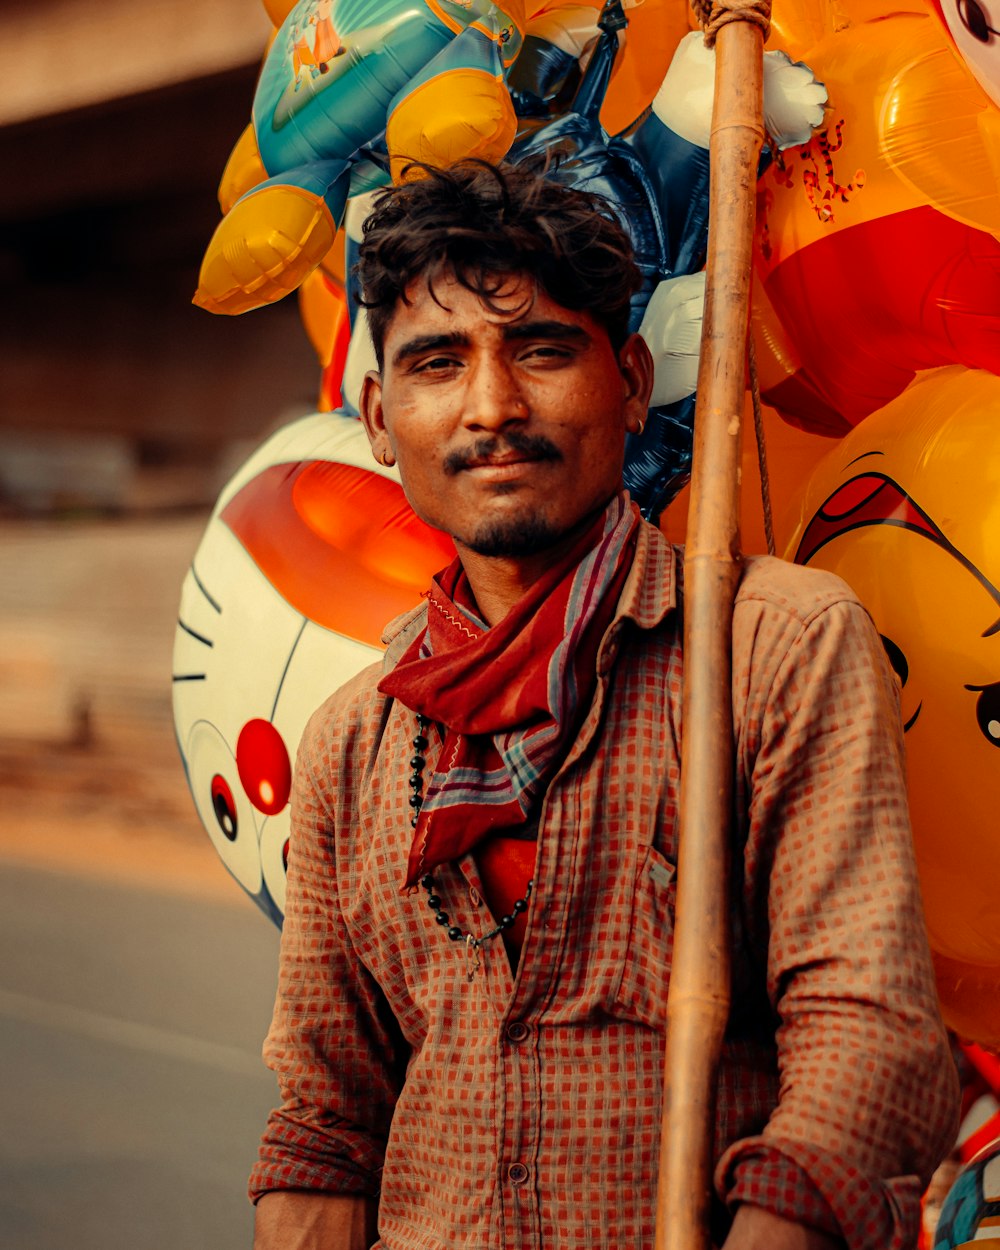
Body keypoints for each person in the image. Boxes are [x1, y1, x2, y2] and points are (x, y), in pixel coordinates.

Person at [249, 160, 958, 1250]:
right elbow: (325, 1116)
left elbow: (867, 1034)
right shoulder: (353, 737)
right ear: (382, 420)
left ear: (629, 380)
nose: (493, 405)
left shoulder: (771, 645)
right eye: (440, 362)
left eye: (540, 348)